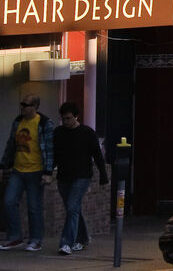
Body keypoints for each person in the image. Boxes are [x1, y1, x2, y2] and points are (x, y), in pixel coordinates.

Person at [0, 95, 54, 251]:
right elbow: (11, 145)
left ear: (35, 107)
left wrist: (48, 171)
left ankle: (36, 239)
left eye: (25, 105)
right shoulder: (18, 121)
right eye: (21, 104)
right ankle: (15, 237)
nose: (22, 107)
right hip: (18, 170)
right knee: (9, 202)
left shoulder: (44, 123)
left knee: (34, 207)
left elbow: (49, 149)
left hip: (36, 171)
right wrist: (2, 165)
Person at [51, 104, 108, 256]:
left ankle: (66, 243)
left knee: (71, 207)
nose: (65, 122)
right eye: (63, 119)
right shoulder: (59, 133)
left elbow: (97, 154)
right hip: (64, 175)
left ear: (76, 116)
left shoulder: (87, 132)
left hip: (82, 176)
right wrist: (48, 170)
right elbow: (55, 154)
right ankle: (82, 238)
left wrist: (103, 174)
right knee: (73, 209)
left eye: (68, 118)